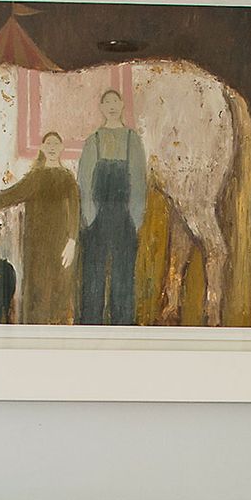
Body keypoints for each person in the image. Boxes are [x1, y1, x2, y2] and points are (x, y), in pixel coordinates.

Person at [0, 129, 81, 324]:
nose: (52, 147)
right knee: (36, 295)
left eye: (56, 144)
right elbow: (9, 196)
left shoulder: (68, 178)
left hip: (61, 246)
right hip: (36, 247)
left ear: (61, 148)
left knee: (60, 293)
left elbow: (75, 211)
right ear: (42, 148)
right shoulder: (34, 177)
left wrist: (72, 241)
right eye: (48, 144)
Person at [77, 87, 148, 325]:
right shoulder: (93, 140)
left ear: (122, 105)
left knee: (123, 279)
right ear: (101, 107)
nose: (111, 106)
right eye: (106, 102)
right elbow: (84, 181)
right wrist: (89, 217)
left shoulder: (132, 139)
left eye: (115, 101)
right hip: (96, 218)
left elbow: (138, 180)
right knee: (93, 277)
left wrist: (135, 219)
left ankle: (123, 327)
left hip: (124, 218)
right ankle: (90, 327)